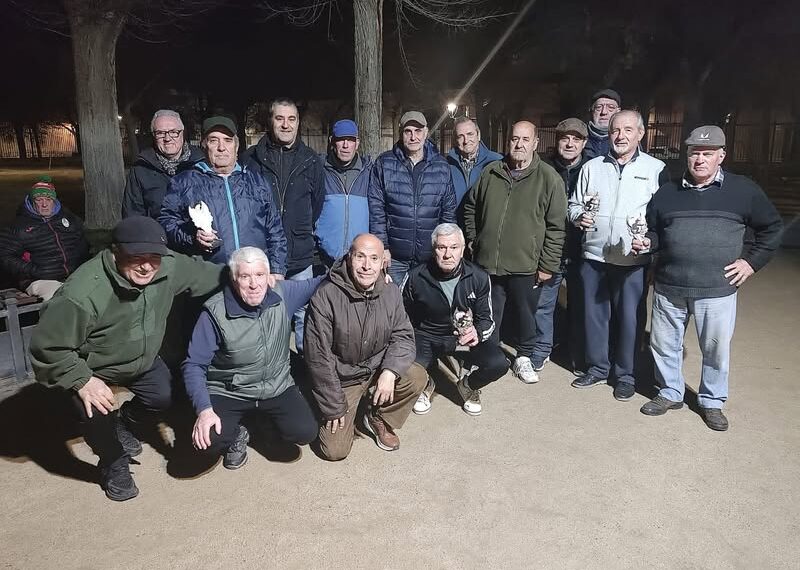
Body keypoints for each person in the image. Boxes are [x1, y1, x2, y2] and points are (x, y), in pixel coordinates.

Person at [29, 216, 224, 501]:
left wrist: (249, 275)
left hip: (139, 359)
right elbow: (47, 347)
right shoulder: (83, 293)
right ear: (117, 251)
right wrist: (81, 379)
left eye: (154, 257)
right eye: (137, 256)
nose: (147, 265)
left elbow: (206, 273)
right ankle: (112, 461)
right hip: (92, 367)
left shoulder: (166, 267)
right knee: (96, 410)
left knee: (164, 396)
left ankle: (127, 421)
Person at [635, 125, 783, 431]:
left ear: (721, 156)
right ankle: (670, 392)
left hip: (717, 289)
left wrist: (750, 263)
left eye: (707, 153)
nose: (700, 160)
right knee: (664, 345)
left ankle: (712, 401)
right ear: (686, 156)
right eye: (694, 153)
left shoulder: (744, 191)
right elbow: (654, 230)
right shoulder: (667, 193)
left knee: (715, 349)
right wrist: (648, 243)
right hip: (669, 285)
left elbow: (772, 228)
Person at [182, 247, 322, 468]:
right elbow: (194, 365)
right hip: (230, 390)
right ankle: (238, 432)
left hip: (275, 386)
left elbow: (322, 281)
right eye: (245, 276)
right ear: (233, 278)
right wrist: (204, 409)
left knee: (305, 432)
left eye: (259, 275)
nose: (254, 284)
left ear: (269, 277)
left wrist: (367, 266)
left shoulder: (283, 295)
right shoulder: (214, 313)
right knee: (207, 442)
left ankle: (262, 422)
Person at [567, 110, 669, 401]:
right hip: (594, 255)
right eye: (615, 130)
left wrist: (650, 245)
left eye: (627, 130)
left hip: (632, 260)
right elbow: (574, 205)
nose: (620, 136)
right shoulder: (592, 167)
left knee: (629, 319)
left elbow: (660, 219)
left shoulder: (656, 169)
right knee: (594, 317)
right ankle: (598, 368)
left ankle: (625, 375)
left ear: (640, 134)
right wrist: (578, 217)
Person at [463, 121, 567, 384]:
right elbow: (470, 207)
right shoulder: (491, 173)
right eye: (514, 139)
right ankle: (489, 358)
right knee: (490, 314)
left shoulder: (548, 178)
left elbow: (556, 227)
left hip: (526, 264)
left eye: (524, 139)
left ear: (535, 143)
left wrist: (547, 265)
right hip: (489, 263)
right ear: (507, 142)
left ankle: (524, 356)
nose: (518, 145)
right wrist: (474, 240)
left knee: (525, 315)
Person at [304, 234, 420, 460]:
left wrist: (389, 372)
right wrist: (334, 405)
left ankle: (376, 415)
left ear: (382, 263)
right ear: (349, 258)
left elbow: (403, 335)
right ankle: (340, 407)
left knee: (416, 377)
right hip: (343, 379)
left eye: (374, 259)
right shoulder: (326, 296)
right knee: (335, 451)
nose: (367, 266)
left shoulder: (390, 291)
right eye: (360, 257)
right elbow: (318, 358)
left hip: (376, 369)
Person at [242, 98, 325, 354]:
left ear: (298, 123)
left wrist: (299, 229)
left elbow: (317, 203)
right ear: (271, 120)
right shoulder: (251, 159)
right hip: (262, 254)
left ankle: (302, 368)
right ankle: (267, 366)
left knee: (303, 315)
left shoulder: (311, 160)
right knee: (265, 314)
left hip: (299, 253)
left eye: (291, 119)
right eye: (280, 118)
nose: (286, 125)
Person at [159, 115, 287, 276]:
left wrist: (277, 270)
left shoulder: (256, 182)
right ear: (204, 145)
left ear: (236, 145)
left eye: (227, 140)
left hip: (253, 279)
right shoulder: (184, 183)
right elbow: (166, 223)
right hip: (210, 279)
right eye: (214, 140)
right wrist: (192, 237)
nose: (221, 147)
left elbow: (275, 230)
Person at [404, 223, 509, 416]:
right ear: (433, 249)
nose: (447, 254)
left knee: (499, 363)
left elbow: (487, 319)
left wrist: (476, 332)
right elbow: (402, 318)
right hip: (427, 335)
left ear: (462, 250)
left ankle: (468, 384)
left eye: (454, 247)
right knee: (404, 365)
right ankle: (425, 382)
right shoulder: (414, 277)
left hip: (463, 338)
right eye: (441, 247)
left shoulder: (479, 276)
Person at [369, 110, 457, 284]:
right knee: (394, 307)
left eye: (418, 131)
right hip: (395, 257)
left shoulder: (441, 166)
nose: (413, 137)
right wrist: (382, 247)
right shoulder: (384, 163)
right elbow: (377, 209)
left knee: (426, 307)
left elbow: (448, 212)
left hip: (429, 257)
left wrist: (443, 249)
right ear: (400, 134)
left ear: (426, 132)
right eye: (408, 131)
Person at [531, 118, 588, 374]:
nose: (570, 143)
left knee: (580, 306)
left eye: (576, 139)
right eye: (565, 138)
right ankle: (542, 349)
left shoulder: (592, 169)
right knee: (544, 305)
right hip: (551, 249)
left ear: (584, 143)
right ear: (557, 140)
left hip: (582, 251)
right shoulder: (542, 168)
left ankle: (577, 355)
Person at [0, 176, 88, 300]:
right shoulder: (18, 227)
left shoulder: (69, 218)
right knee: (60, 299)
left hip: (73, 275)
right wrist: (33, 270)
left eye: (48, 199)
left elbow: (82, 245)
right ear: (32, 201)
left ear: (54, 200)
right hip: (40, 279)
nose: (45, 204)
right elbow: (5, 257)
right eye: (39, 200)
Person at [122, 109, 202, 219]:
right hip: (156, 234)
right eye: (160, 133)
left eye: (173, 132)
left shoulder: (201, 164)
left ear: (182, 133)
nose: (167, 138)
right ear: (154, 136)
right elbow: (133, 217)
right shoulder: (141, 170)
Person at [316, 119, 373, 266]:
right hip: (325, 260)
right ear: (332, 142)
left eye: (350, 140)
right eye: (341, 140)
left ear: (357, 143)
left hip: (360, 259)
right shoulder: (319, 171)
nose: (346, 145)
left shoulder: (369, 173)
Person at [446, 116, 502, 206]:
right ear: (455, 140)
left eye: (470, 134)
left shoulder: (496, 162)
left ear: (478, 135)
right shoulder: (446, 165)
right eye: (460, 136)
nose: (466, 140)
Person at [584, 89, 621, 161]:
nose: (604, 112)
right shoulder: (578, 137)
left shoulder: (626, 140)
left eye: (610, 107)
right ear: (591, 110)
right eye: (598, 107)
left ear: (618, 111)